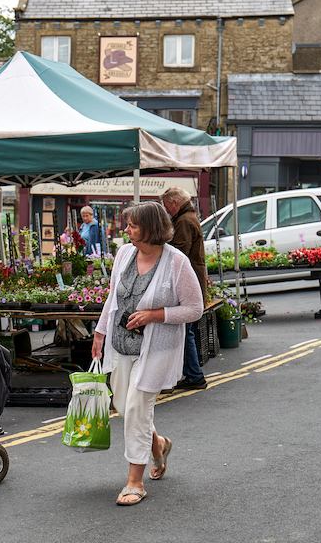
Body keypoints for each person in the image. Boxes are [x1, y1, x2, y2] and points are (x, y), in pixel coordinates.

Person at [90, 202, 203, 506]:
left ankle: (134, 481)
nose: (126, 230)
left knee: (137, 409)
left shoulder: (176, 262)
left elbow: (195, 309)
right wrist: (100, 333)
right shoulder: (125, 254)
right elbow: (113, 297)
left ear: (151, 229)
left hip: (157, 348)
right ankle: (160, 444)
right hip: (121, 343)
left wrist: (155, 314)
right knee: (124, 407)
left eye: (132, 226)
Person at [161, 187, 209, 391]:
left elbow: (179, 254)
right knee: (187, 330)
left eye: (166, 205)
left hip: (188, 281)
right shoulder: (188, 217)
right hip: (194, 278)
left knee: (186, 330)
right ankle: (192, 373)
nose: (165, 210)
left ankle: (195, 375)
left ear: (173, 203)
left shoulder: (184, 221)